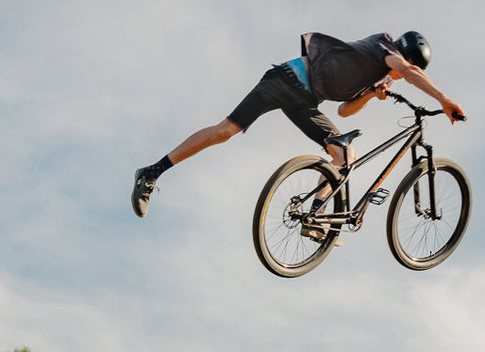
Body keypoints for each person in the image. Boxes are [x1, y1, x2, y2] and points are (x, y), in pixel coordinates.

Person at [131, 30, 465, 218]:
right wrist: (443, 100)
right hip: (285, 79)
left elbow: (347, 112)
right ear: (402, 56)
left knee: (343, 156)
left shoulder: (378, 75)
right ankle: (152, 172)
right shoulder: (384, 47)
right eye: (404, 67)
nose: (400, 74)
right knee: (225, 131)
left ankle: (315, 215)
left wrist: (371, 95)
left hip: (304, 101)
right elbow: (407, 71)